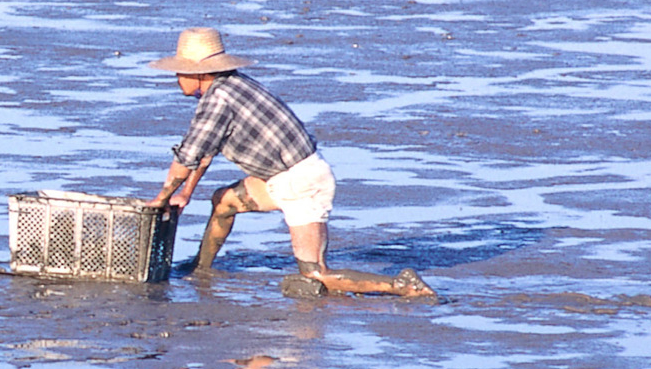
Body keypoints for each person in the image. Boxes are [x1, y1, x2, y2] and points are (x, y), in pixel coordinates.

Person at [145, 27, 435, 298]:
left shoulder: (217, 101)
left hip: (302, 184)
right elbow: (205, 151)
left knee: (315, 274)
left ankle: (403, 286)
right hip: (282, 177)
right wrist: (185, 193)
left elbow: (187, 158)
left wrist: (162, 197)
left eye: (179, 73)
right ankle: (201, 270)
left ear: (198, 74)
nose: (176, 79)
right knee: (224, 201)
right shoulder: (233, 86)